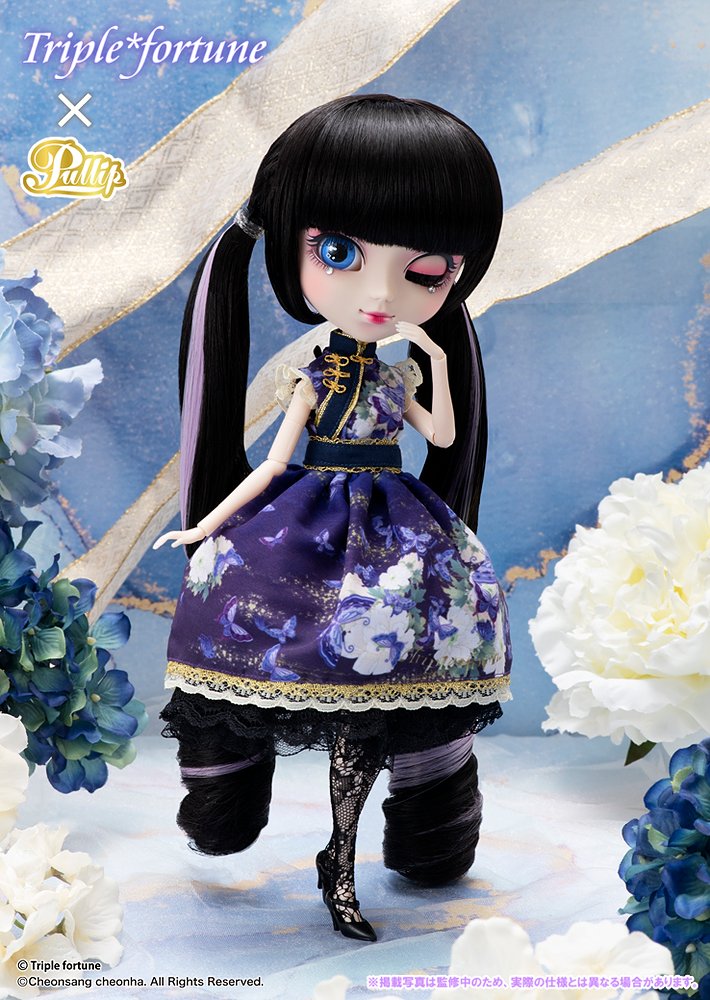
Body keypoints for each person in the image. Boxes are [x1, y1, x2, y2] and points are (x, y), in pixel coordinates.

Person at [154, 93, 512, 943]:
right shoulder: (315, 379)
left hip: (399, 532)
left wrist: (434, 359)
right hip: (305, 522)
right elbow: (273, 464)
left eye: (426, 271)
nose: (380, 294)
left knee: (414, 654)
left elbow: (444, 437)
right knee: (238, 603)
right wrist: (206, 527)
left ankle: (392, 825)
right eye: (340, 253)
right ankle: (239, 786)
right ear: (292, 250)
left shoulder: (400, 376)